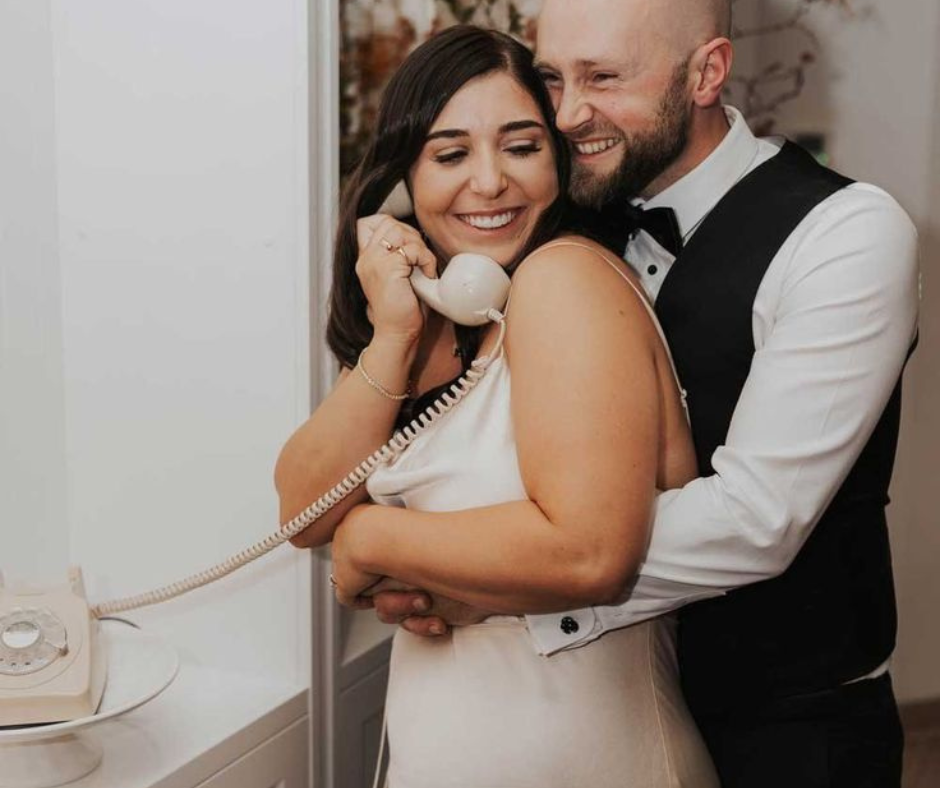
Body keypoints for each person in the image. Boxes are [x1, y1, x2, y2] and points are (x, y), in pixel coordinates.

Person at [370, 2, 921, 787]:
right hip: (599, 716)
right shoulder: (559, 215)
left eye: (603, 78)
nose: (566, 113)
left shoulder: (847, 234)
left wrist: (488, 577)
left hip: (793, 729)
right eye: (553, 78)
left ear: (707, 73)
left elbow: (755, 517)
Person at [277, 24, 719, 788]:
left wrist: (374, 538)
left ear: (559, 158)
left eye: (521, 146)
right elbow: (300, 512)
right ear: (400, 182)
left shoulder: (566, 280)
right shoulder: (435, 327)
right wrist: (392, 336)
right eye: (450, 155)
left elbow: (587, 549)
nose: (489, 183)